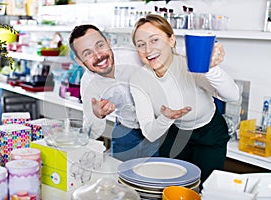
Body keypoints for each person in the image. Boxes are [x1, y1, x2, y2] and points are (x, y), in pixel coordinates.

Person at [129, 14, 240, 184]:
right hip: (175, 134)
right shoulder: (138, 79)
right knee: (172, 185)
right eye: (141, 44)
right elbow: (150, 133)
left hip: (209, 133)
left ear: (171, 39)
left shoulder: (190, 64)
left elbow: (232, 95)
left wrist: (210, 68)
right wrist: (167, 117)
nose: (148, 50)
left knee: (205, 188)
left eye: (154, 40)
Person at [68, 24, 161, 161]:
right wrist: (96, 115)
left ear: (108, 42)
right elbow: (92, 133)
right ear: (79, 61)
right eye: (87, 53)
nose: (98, 55)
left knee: (158, 176)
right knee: (121, 176)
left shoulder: (134, 57)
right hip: (125, 131)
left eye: (100, 46)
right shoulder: (88, 84)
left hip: (158, 126)